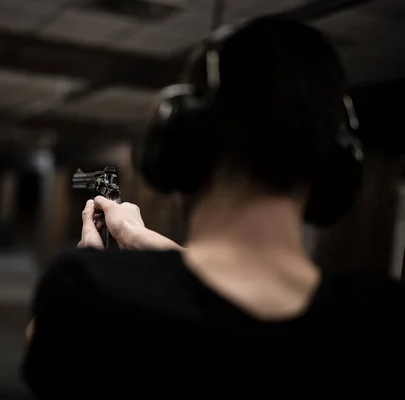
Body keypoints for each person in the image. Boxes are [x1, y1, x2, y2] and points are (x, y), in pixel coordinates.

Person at [22, 17, 404, 398]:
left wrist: (97, 262)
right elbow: (242, 305)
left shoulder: (91, 292)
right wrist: (140, 239)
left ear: (180, 148)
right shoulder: (377, 320)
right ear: (335, 166)